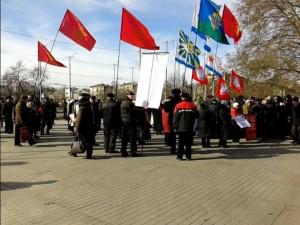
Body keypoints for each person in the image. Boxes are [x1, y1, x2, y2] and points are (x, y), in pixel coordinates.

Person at [173, 93, 198, 160]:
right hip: (190, 127)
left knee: (181, 143)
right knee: (188, 143)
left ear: (182, 98)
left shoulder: (178, 105)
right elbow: (196, 115)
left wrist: (175, 126)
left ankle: (179, 156)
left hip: (181, 128)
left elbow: (175, 117)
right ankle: (188, 156)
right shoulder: (193, 105)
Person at [74, 93, 94, 159]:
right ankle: (89, 154)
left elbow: (79, 120)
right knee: (89, 141)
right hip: (89, 126)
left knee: (80, 140)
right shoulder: (89, 106)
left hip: (82, 127)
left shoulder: (82, 108)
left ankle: (75, 151)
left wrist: (77, 128)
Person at [120, 91, 139, 157]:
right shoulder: (129, 103)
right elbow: (134, 111)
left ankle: (123, 151)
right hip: (130, 122)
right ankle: (133, 152)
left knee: (125, 137)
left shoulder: (123, 102)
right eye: (133, 95)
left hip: (124, 122)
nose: (134, 96)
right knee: (133, 137)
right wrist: (143, 109)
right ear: (128, 95)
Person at [162, 88, 181, 154]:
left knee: (172, 136)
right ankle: (181, 149)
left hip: (172, 120)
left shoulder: (169, 102)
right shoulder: (181, 101)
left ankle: (173, 149)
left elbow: (166, 110)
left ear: (172, 94)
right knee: (181, 136)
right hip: (181, 121)